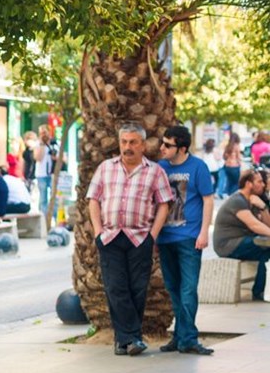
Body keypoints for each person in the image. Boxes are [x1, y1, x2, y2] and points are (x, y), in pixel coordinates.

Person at [86, 122, 174, 357]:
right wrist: (97, 232)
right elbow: (93, 199)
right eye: (124, 142)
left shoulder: (155, 171)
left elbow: (164, 204)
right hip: (110, 236)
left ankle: (122, 341)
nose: (128, 147)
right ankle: (132, 338)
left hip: (139, 238)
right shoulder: (106, 168)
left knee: (137, 288)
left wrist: (152, 236)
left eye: (133, 142)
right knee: (116, 287)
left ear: (143, 145)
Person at [157, 125, 215, 355]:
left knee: (188, 289)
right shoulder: (160, 168)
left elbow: (208, 200)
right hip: (165, 238)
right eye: (163, 143)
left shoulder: (198, 167)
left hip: (189, 237)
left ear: (181, 148)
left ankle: (188, 338)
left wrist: (204, 232)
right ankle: (181, 336)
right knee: (173, 288)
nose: (162, 148)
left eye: (167, 145)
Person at [213, 169, 270, 302]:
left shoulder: (252, 201)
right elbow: (254, 225)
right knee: (263, 247)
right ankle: (259, 292)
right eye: (259, 181)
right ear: (249, 184)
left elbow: (267, 226)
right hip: (228, 245)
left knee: (264, 254)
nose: (263, 184)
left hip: (242, 241)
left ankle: (258, 292)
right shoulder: (237, 200)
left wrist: (263, 207)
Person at [34, 125, 59, 217]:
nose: (43, 135)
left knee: (54, 198)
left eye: (44, 132)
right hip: (41, 174)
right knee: (43, 198)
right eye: (41, 133)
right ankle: (43, 220)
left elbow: (62, 158)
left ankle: (56, 219)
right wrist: (42, 144)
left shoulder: (55, 143)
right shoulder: (38, 144)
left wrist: (55, 157)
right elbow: (38, 158)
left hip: (53, 174)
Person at [221, 133, 242, 199]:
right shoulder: (236, 146)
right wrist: (240, 164)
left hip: (227, 166)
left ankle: (228, 194)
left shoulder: (227, 146)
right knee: (236, 182)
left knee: (229, 181)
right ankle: (233, 196)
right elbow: (238, 157)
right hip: (234, 166)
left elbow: (224, 156)